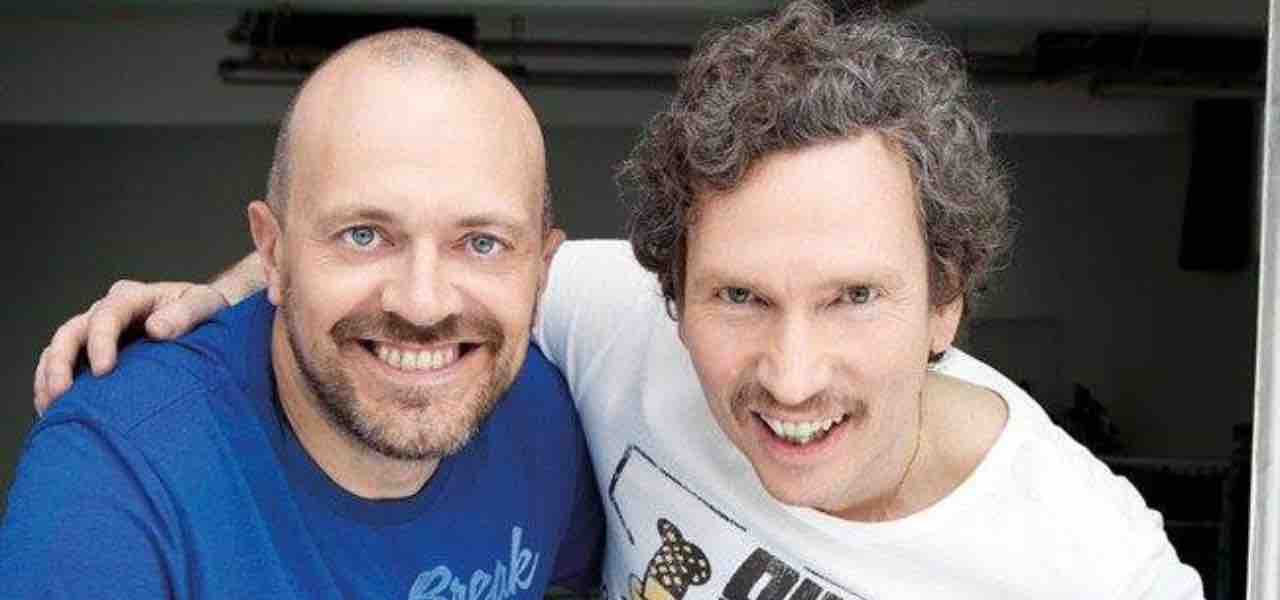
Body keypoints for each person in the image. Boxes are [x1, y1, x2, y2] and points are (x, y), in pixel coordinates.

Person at [27, 2, 1204, 598]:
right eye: (737, 296)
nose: (790, 375)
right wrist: (232, 295)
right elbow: (433, 286)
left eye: (853, 297)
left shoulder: (1092, 566)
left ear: (945, 300)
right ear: (670, 293)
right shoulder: (604, 321)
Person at [3, 28, 603, 598]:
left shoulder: (543, 419)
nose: (422, 305)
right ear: (272, 251)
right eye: (364, 235)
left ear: (542, 267)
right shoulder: (116, 475)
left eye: (482, 243)